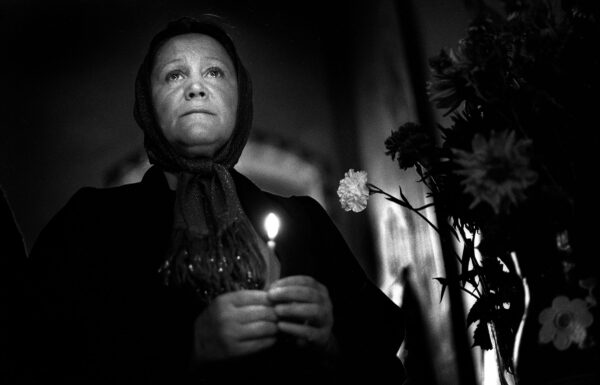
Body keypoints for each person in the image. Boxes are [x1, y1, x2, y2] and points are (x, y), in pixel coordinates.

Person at [16, 16, 406, 384]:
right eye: (174, 75)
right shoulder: (90, 224)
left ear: (241, 98)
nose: (196, 87)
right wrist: (187, 351)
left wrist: (330, 345)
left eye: (215, 72)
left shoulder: (305, 222)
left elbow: (384, 363)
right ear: (147, 105)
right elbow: (36, 358)